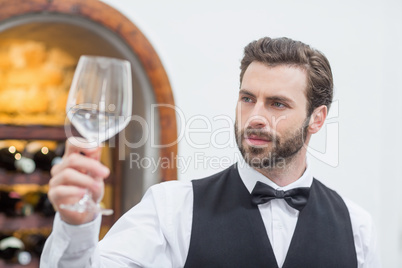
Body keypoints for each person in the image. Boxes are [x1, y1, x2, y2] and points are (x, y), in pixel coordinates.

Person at [40, 37, 381, 267]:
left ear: (316, 119)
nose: (256, 117)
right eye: (248, 99)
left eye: (277, 103)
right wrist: (76, 226)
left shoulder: (356, 226)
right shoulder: (171, 208)